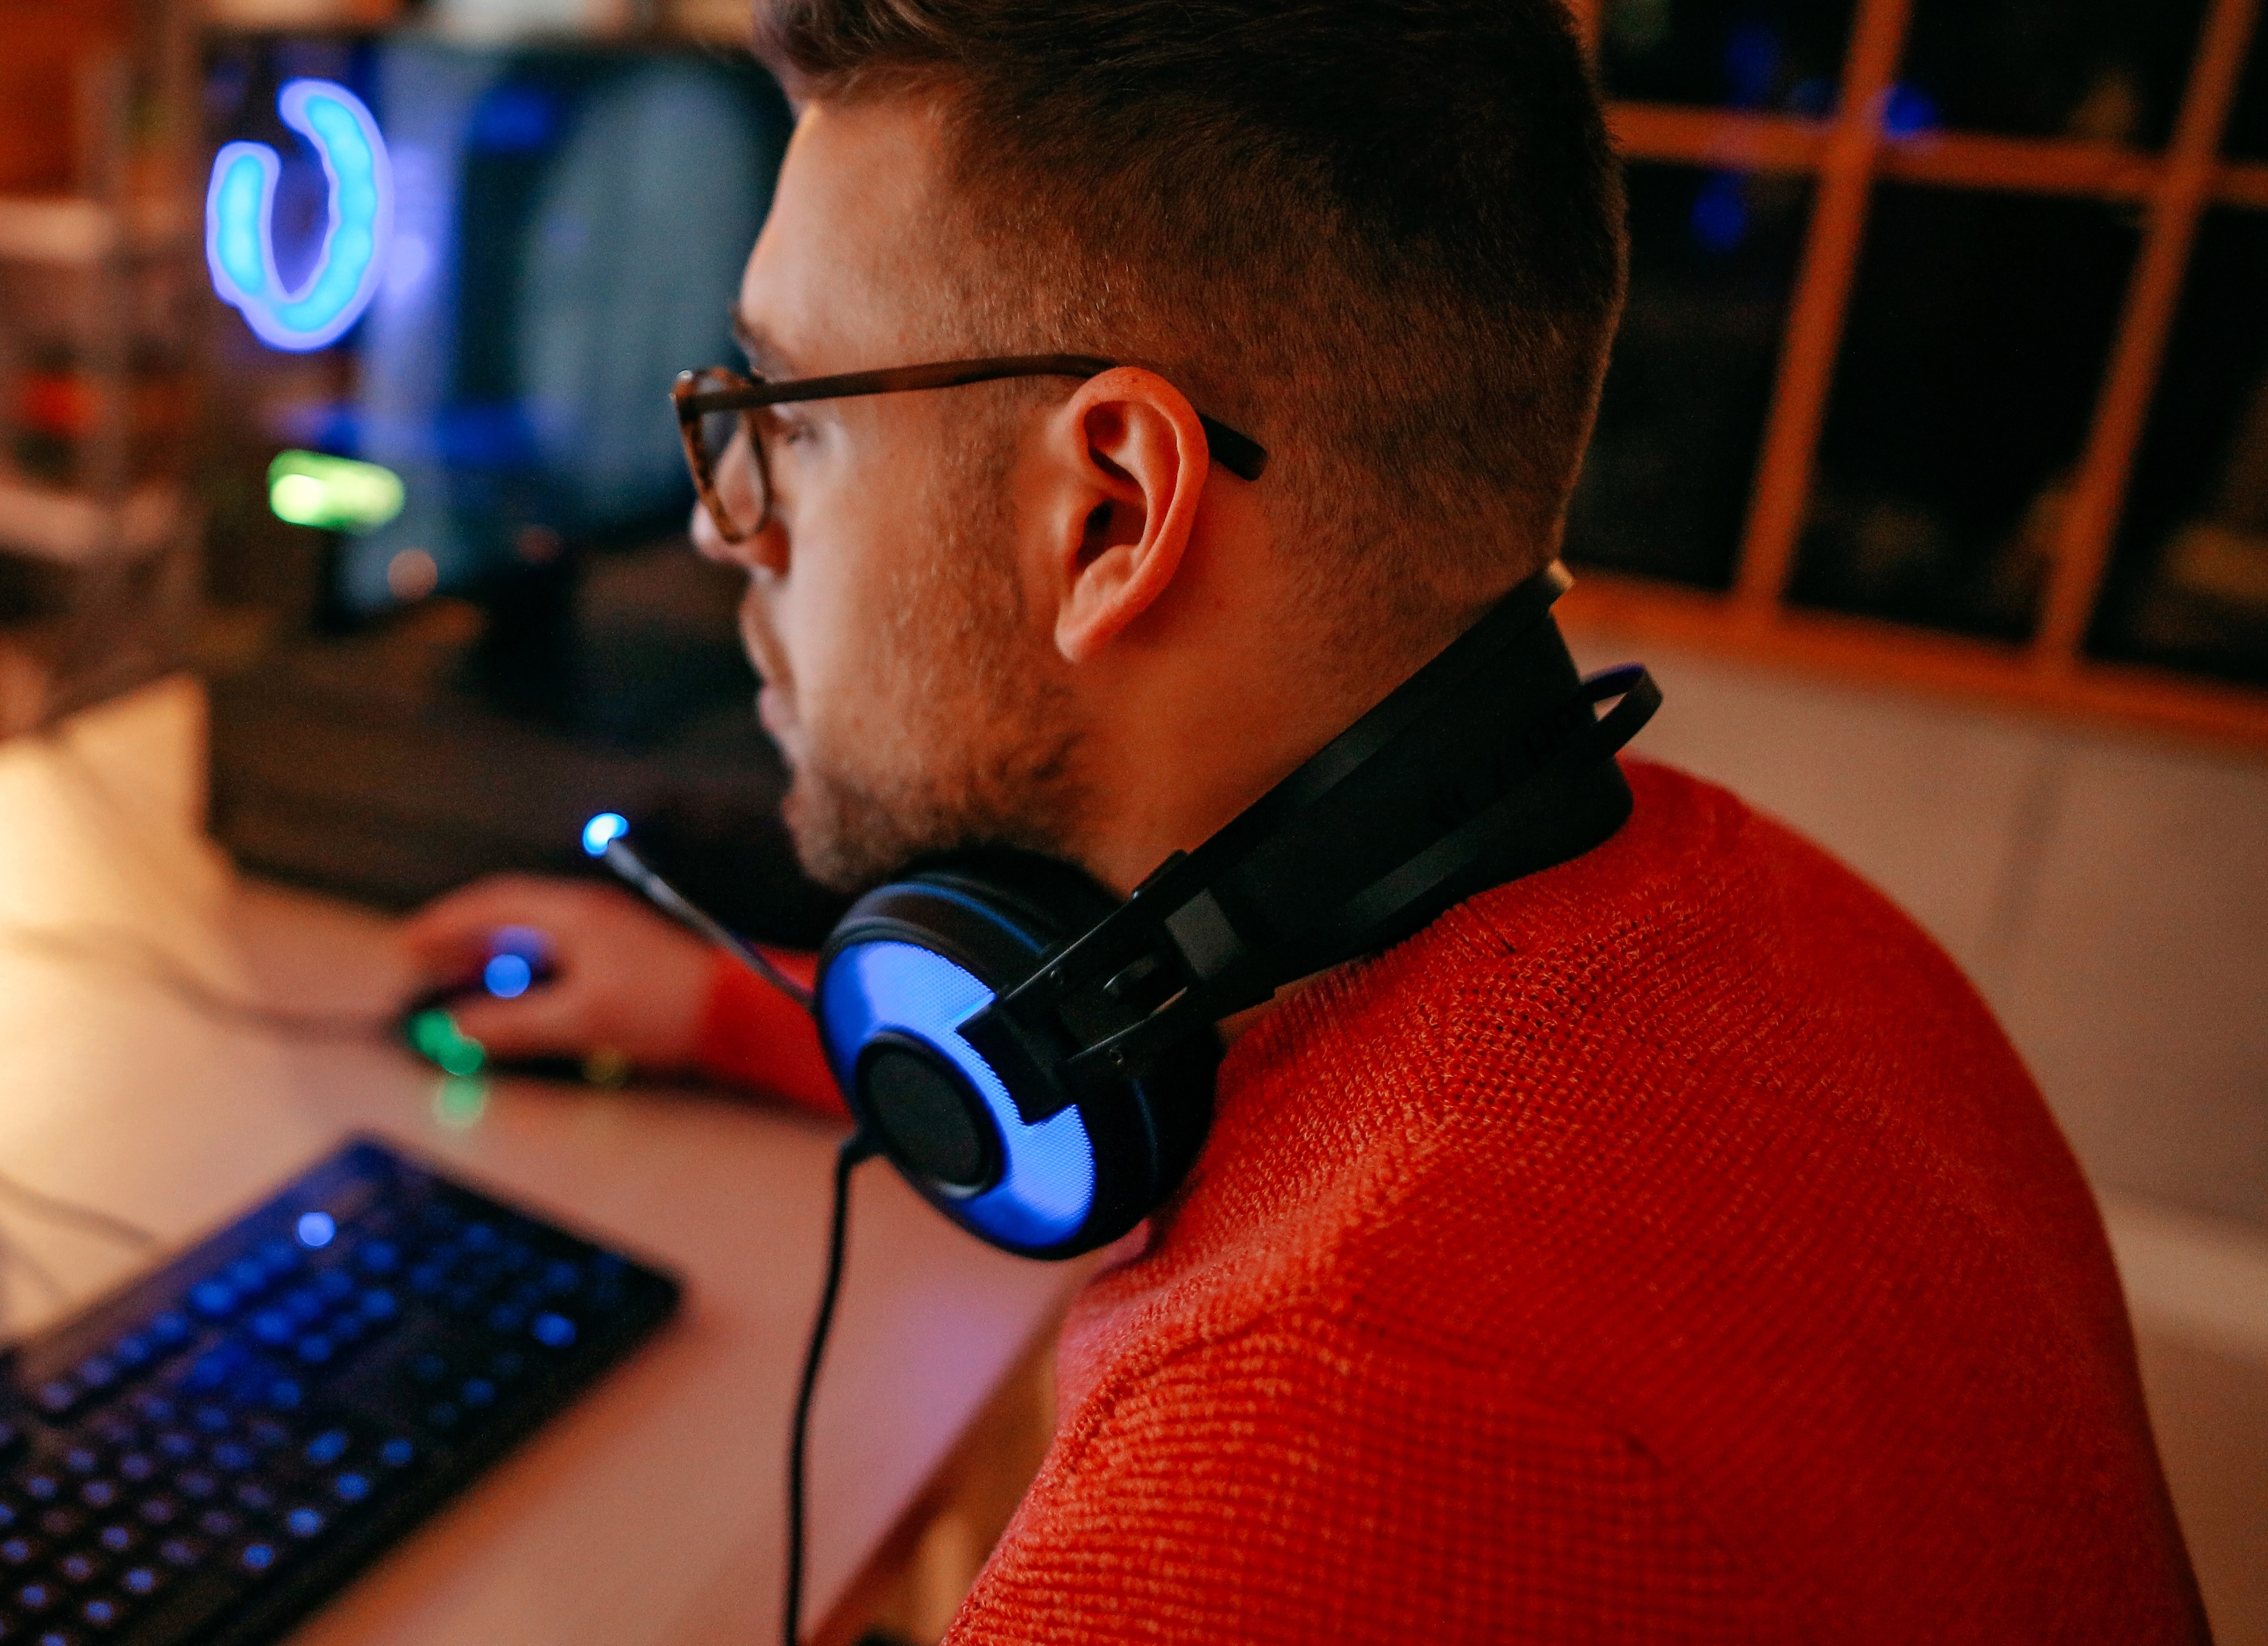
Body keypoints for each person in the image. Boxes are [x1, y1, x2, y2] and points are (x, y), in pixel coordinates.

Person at [396, 0, 2209, 1636]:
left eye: (784, 408)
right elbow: (1202, 1035)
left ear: (1109, 515)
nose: (727, 521)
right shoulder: (1815, 937)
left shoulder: (1307, 1439)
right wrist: (725, 1008)